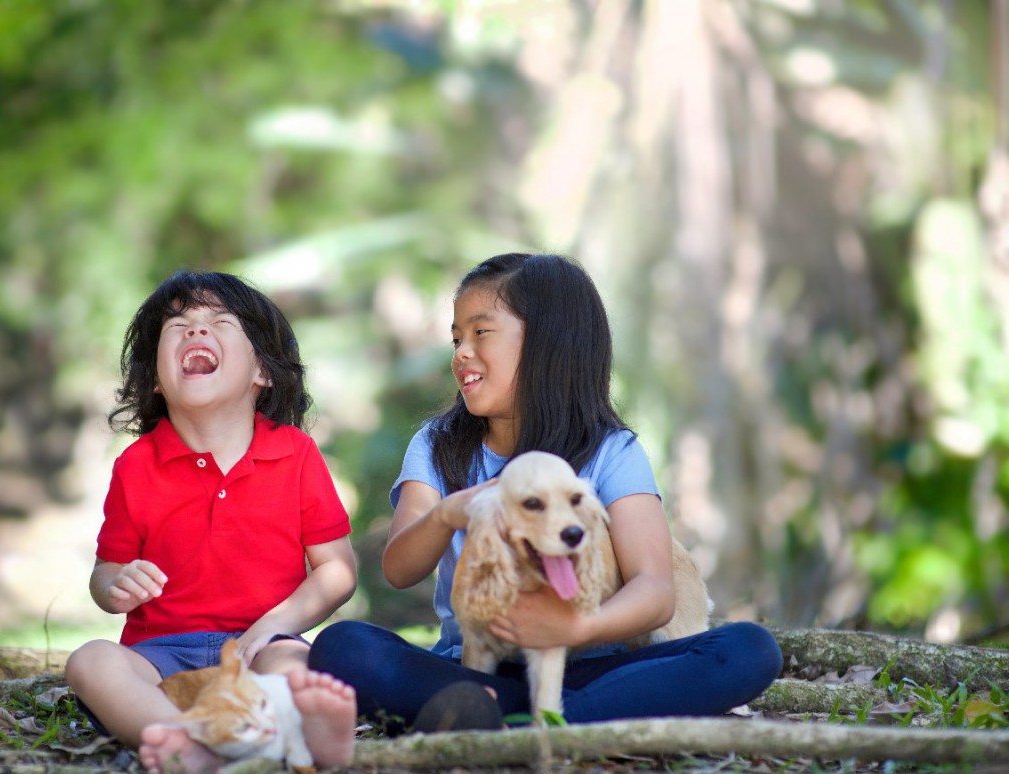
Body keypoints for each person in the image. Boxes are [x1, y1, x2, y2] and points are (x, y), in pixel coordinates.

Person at [308, 253, 783, 733]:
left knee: (747, 649)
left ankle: (533, 720)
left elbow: (656, 591)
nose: (461, 353)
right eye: (456, 338)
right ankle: (542, 716)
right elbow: (399, 569)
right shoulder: (437, 446)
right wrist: (447, 514)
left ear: (546, 343)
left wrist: (577, 628)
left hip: (593, 665)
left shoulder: (611, 450)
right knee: (343, 646)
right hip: (476, 668)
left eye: (481, 333)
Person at [66, 271, 359, 774]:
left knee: (293, 670)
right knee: (90, 661)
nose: (195, 331)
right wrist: (115, 585)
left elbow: (336, 570)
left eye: (219, 322)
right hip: (158, 658)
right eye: (177, 325)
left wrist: (277, 624)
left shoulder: (296, 453)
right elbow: (105, 572)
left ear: (262, 371)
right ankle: (185, 741)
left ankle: (313, 731)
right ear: (155, 379)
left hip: (261, 643)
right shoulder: (136, 465)